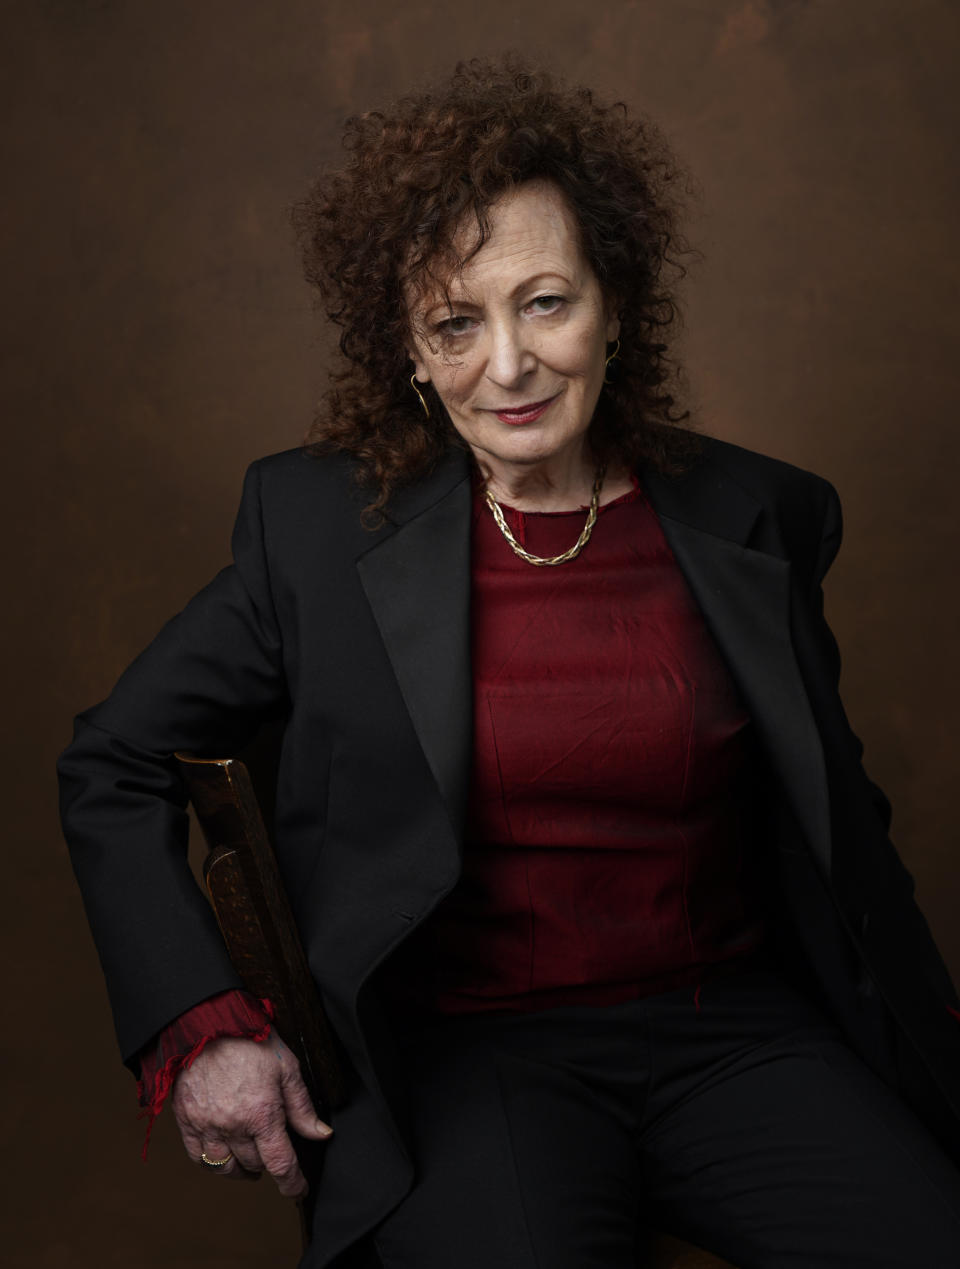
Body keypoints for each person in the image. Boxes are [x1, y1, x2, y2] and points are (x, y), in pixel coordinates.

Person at [58, 56, 960, 1268]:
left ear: (615, 304)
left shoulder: (761, 513)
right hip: (471, 1061)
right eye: (455, 323)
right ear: (413, 355)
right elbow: (112, 759)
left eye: (545, 302)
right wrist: (201, 1023)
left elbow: (840, 814)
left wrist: (929, 1034)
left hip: (735, 1033)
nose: (510, 365)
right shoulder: (317, 531)